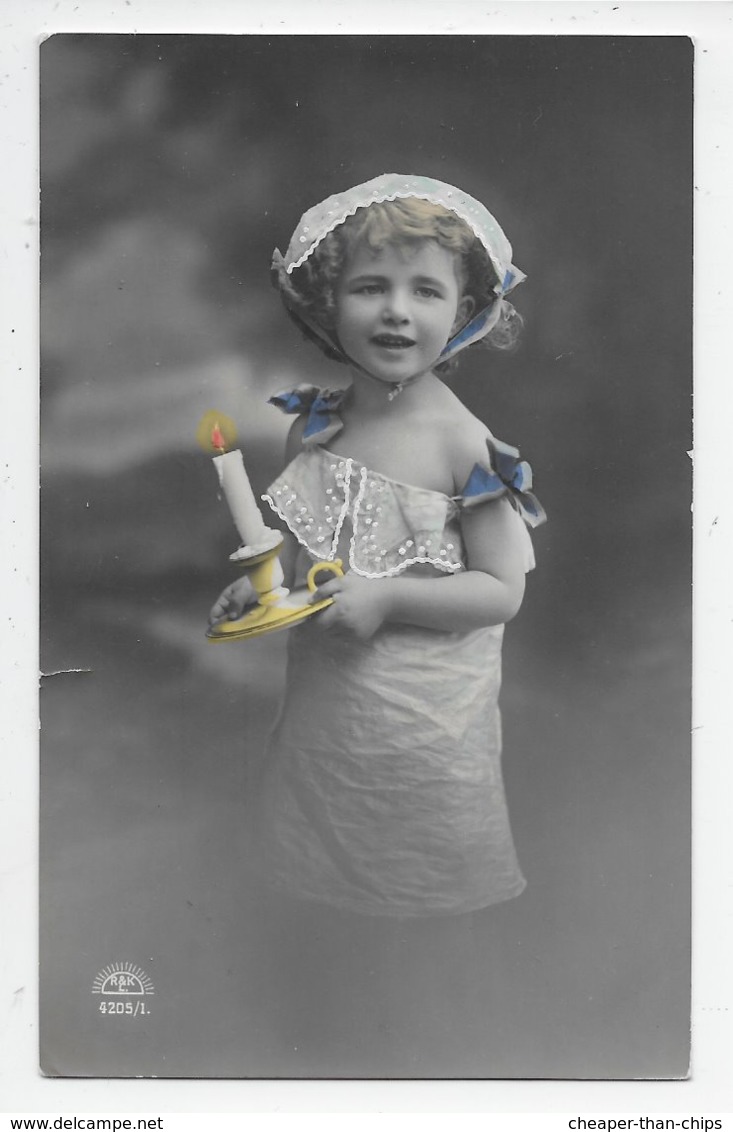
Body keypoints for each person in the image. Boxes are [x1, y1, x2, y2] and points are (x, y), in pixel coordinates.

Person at [208, 173, 546, 1070]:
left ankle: (446, 1067)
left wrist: (392, 599)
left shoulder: (467, 447)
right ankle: (331, 1058)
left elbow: (501, 589)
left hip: (424, 729)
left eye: (424, 290)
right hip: (332, 723)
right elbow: (314, 558)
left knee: (426, 916)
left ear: (464, 309)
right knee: (331, 902)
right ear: (328, 305)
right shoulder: (315, 428)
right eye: (370, 287)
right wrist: (265, 589)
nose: (396, 314)